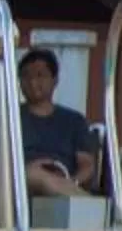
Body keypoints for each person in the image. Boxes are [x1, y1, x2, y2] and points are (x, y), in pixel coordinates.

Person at [15, 47, 100, 198]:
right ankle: (88, 205)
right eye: (26, 76)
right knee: (34, 174)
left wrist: (71, 182)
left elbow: (87, 165)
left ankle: (73, 198)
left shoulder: (74, 121)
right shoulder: (11, 117)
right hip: (21, 184)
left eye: (40, 75)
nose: (33, 82)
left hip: (65, 181)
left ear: (55, 80)